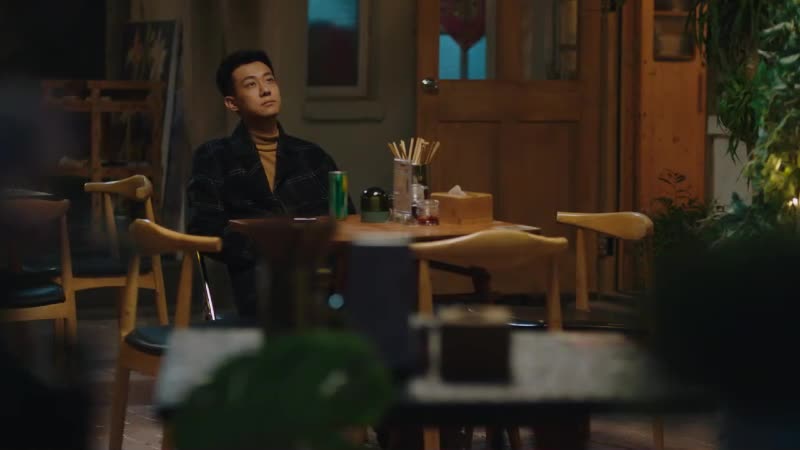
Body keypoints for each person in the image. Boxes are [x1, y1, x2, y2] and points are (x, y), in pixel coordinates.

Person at [187, 49, 354, 317]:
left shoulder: (313, 156)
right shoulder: (215, 156)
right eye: (251, 84)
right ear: (232, 103)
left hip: (325, 273)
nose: (265, 90)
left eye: (269, 80)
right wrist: (270, 247)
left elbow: (346, 218)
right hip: (260, 278)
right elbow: (204, 226)